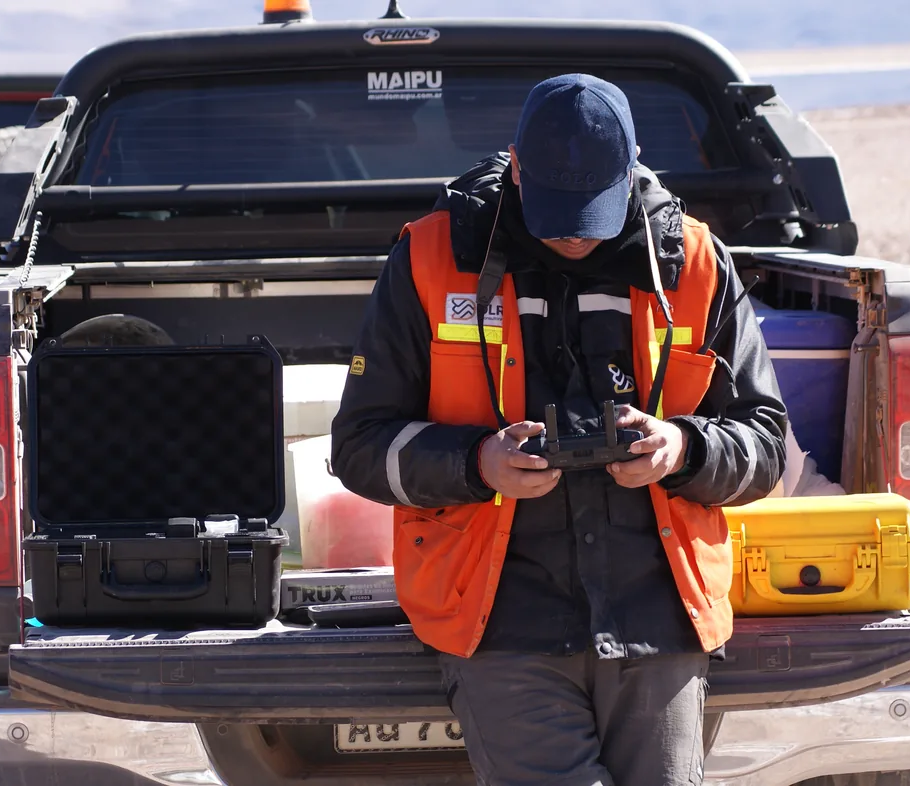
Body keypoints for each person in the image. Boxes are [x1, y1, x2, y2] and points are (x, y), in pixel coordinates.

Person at [330, 74, 788, 785]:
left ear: (634, 165)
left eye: (592, 213)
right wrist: (476, 462)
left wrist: (682, 448)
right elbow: (359, 449)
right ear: (516, 166)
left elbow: (763, 443)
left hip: (658, 619)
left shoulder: (695, 265)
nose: (574, 234)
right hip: (499, 621)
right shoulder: (429, 260)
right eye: (557, 213)